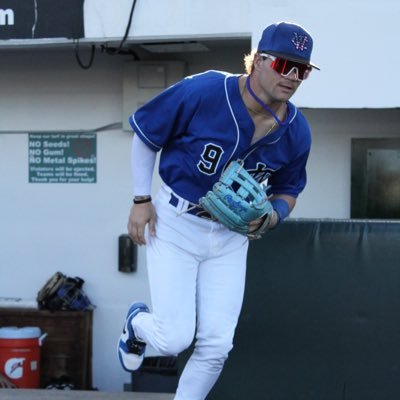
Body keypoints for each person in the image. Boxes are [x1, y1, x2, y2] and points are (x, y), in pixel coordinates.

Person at [118, 21, 319, 400]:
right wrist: (141, 200)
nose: (292, 77)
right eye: (283, 65)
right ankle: (136, 325)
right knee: (174, 338)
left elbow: (289, 188)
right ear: (258, 60)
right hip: (176, 221)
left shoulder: (296, 129)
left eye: (302, 69)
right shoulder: (205, 90)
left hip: (231, 236)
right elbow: (146, 135)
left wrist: (273, 215)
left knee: (216, 347)